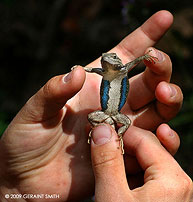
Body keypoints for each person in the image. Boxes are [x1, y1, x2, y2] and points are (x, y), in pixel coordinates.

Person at [0, 10, 192, 202]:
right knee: (92, 118)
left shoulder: (123, 69)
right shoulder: (104, 71)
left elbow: (135, 61)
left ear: (117, 62)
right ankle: (103, 135)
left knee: (125, 124)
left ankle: (118, 138)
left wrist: (143, 59)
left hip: (116, 115)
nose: (107, 59)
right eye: (105, 58)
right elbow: (90, 69)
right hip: (104, 114)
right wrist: (79, 69)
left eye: (112, 58)